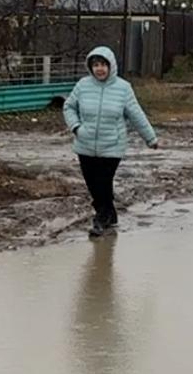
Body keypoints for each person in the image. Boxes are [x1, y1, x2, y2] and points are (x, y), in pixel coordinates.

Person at [63, 46, 158, 237]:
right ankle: (110, 213)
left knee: (103, 183)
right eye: (95, 65)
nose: (99, 69)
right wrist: (76, 127)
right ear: (90, 67)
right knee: (92, 184)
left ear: (111, 66)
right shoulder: (83, 85)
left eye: (103, 65)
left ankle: (101, 218)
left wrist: (150, 137)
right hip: (85, 144)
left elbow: (136, 114)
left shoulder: (123, 88)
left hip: (112, 146)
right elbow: (68, 107)